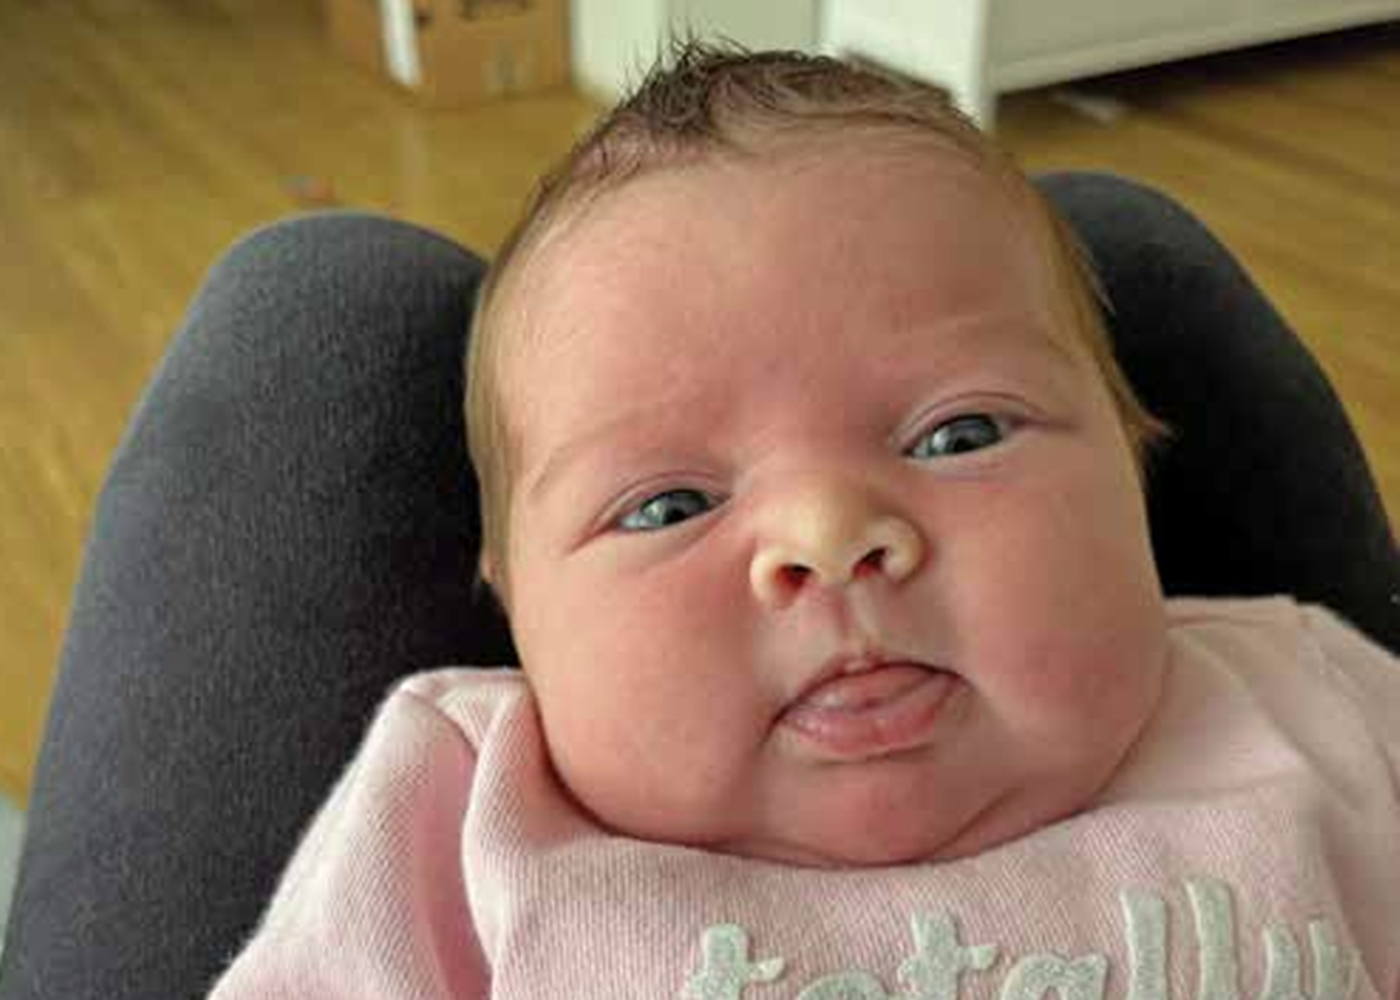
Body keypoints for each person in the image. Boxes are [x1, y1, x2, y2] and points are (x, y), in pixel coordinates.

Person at [207, 43, 1399, 999]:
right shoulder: (456, 812)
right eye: (666, 506)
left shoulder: (1307, 699)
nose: (827, 535)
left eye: (958, 436)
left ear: (1134, 461)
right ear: (513, 606)